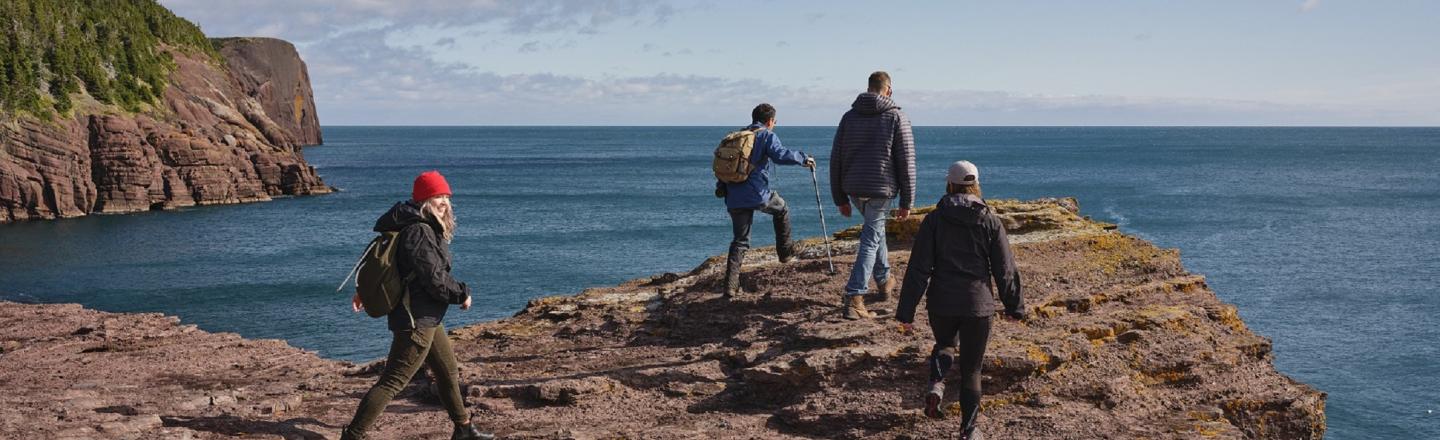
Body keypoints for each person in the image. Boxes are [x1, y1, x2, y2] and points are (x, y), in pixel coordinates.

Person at [342, 171, 492, 440]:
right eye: (437, 196)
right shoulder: (419, 231)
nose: (444, 202)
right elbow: (434, 279)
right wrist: (462, 293)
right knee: (392, 382)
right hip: (415, 319)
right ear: (424, 200)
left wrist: (361, 291)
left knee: (447, 373)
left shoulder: (414, 225)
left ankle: (463, 429)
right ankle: (353, 435)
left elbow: (398, 268)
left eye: (446, 196)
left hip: (428, 317)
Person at [895, 161, 1024, 440]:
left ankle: (936, 384)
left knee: (944, 344)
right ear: (976, 185)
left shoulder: (934, 220)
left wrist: (906, 313)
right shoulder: (989, 220)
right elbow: (1005, 269)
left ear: (949, 184)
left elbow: (918, 269)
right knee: (972, 369)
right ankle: (968, 431)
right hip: (978, 305)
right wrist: (1014, 307)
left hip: (941, 302)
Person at [830, 71, 916, 319]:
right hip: (880, 188)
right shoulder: (896, 116)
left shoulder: (848, 117)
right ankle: (854, 296)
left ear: (869, 88)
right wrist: (907, 201)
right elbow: (906, 161)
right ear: (888, 90)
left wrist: (839, 197)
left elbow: (836, 158)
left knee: (874, 232)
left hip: (854, 188)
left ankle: (884, 279)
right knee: (870, 238)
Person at [715, 103, 816, 298]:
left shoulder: (736, 137)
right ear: (770, 121)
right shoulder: (766, 135)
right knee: (782, 209)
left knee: (740, 241)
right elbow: (780, 155)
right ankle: (785, 252)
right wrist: (804, 159)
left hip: (733, 194)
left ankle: (730, 287)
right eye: (774, 122)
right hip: (757, 193)